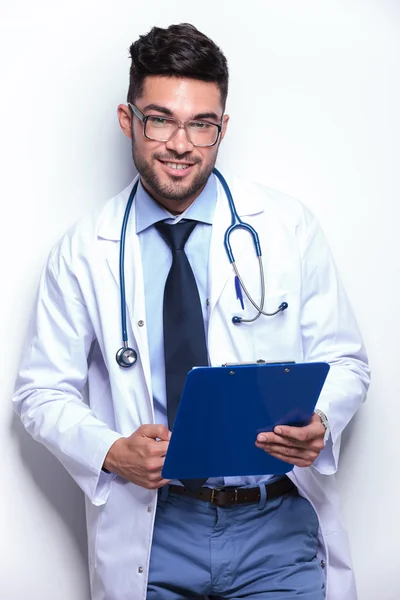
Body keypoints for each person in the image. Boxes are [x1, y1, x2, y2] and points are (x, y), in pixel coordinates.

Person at [13, 22, 370, 600]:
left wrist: (321, 423)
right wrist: (111, 452)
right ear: (128, 120)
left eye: (201, 124)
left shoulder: (287, 228)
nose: (181, 144)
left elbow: (346, 362)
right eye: (160, 119)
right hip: (154, 533)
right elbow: (40, 393)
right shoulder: (83, 250)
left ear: (222, 129)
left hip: (276, 528)